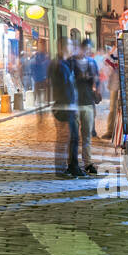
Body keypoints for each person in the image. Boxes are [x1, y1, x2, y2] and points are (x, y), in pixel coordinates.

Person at [48, 38, 82, 176]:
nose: (72, 46)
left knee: (74, 138)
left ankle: (73, 166)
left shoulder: (66, 63)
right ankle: (61, 170)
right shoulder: (58, 65)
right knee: (63, 139)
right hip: (63, 107)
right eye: (70, 44)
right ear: (62, 47)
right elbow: (63, 88)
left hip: (69, 106)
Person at [71, 39, 100, 175]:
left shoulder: (92, 62)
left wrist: (96, 88)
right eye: (85, 49)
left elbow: (97, 80)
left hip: (88, 102)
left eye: (89, 49)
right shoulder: (71, 62)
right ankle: (72, 163)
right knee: (74, 136)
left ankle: (88, 163)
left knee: (87, 135)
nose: (87, 52)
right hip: (75, 103)